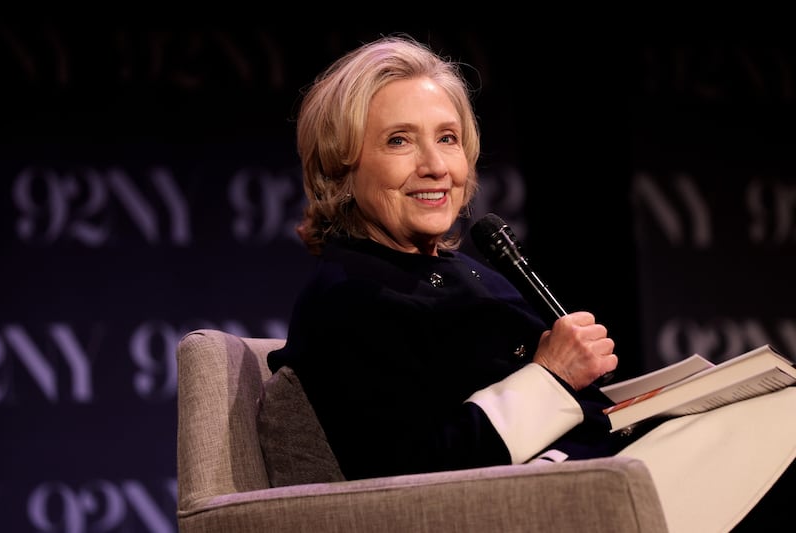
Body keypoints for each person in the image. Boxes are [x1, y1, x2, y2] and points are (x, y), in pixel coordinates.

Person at [268, 34, 796, 532]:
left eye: (448, 139)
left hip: (601, 461)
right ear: (341, 167)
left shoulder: (463, 270)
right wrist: (552, 375)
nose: (435, 166)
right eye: (399, 140)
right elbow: (410, 478)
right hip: (549, 499)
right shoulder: (349, 296)